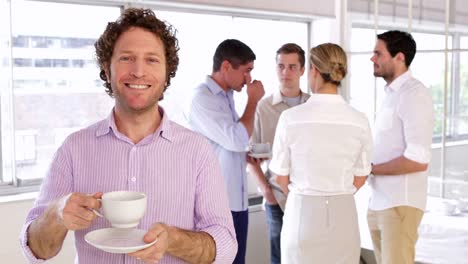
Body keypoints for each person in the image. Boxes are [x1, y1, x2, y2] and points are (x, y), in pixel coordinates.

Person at [19, 8, 237, 264]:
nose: (138, 71)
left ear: (167, 71)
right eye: (126, 58)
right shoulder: (74, 148)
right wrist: (56, 214)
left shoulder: (197, 150)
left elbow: (225, 247)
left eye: (152, 60)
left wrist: (173, 240)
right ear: (106, 67)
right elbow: (36, 250)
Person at [269, 43, 373, 263]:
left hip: (302, 214)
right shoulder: (359, 120)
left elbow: (280, 175)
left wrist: (305, 196)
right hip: (343, 214)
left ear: (313, 70)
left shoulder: (291, 118)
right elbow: (362, 176)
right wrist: (335, 190)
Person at [188, 39, 265, 264]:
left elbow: (231, 145)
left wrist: (246, 154)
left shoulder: (228, 97)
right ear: (226, 67)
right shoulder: (202, 98)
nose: (249, 79)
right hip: (216, 207)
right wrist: (253, 101)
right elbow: (236, 139)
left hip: (236, 203)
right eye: (246, 71)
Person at [367, 30, 434, 264]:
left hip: (399, 205)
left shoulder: (414, 94)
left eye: (378, 53)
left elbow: (418, 159)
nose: (372, 58)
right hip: (379, 202)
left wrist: (371, 169)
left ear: (399, 57)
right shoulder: (390, 95)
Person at [246, 43, 309, 264]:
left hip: (310, 198)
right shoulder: (264, 108)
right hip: (277, 200)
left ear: (302, 70)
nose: (286, 72)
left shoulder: (313, 105)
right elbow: (251, 158)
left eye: (292, 67)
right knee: (279, 258)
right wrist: (267, 193)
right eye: (281, 66)